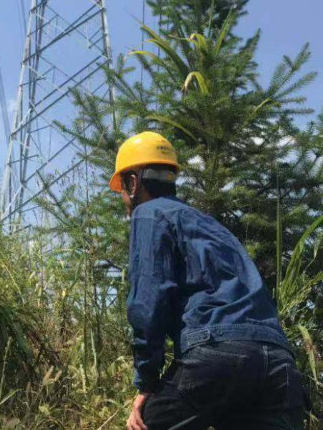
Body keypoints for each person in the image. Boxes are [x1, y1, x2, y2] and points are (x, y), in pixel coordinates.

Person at [111, 132, 307, 430]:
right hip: (279, 364)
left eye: (122, 189)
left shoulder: (149, 213)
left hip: (219, 353)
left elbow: (147, 303)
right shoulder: (209, 225)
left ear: (133, 182)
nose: (123, 198)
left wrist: (146, 383)